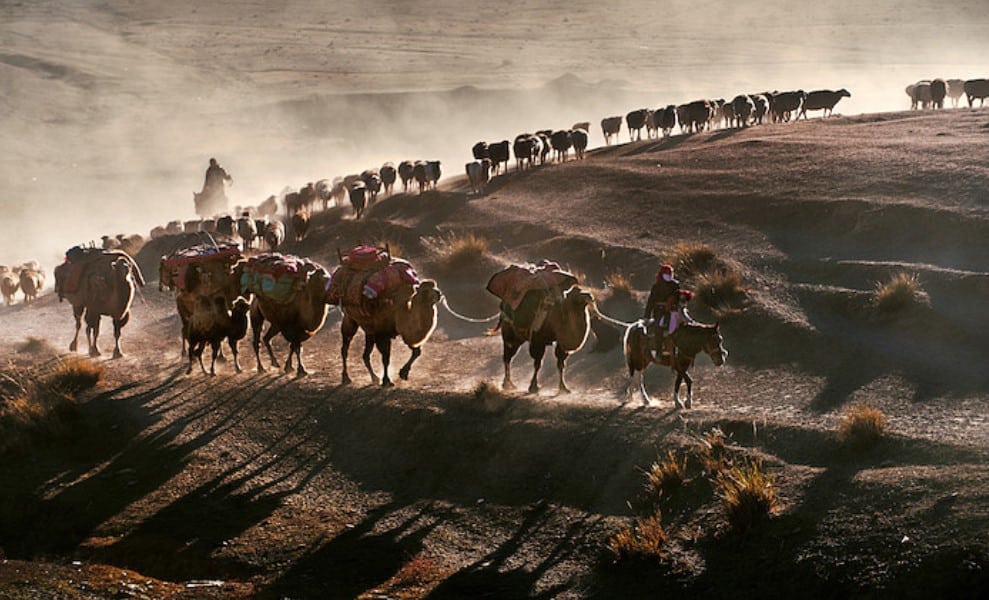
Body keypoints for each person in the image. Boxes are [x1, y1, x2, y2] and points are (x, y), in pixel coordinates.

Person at [642, 264, 680, 363]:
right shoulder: (656, 286)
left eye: (671, 273)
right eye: (667, 273)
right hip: (660, 311)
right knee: (659, 326)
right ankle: (659, 351)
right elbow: (651, 301)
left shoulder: (675, 285)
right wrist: (647, 316)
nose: (669, 275)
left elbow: (678, 298)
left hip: (673, 311)